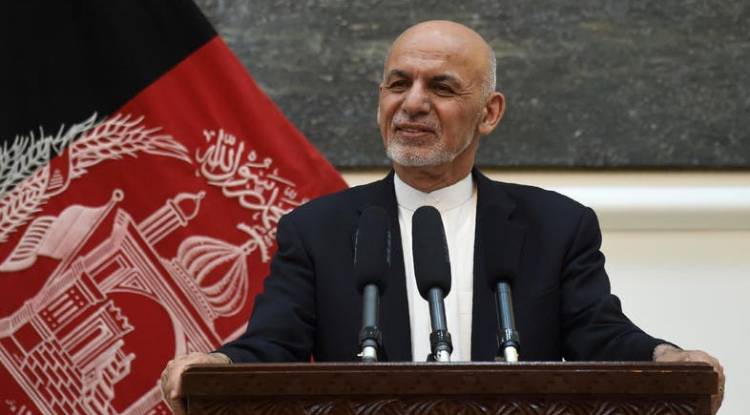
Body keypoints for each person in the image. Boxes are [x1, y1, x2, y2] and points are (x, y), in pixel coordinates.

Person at [161, 20, 725, 414]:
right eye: (398, 84)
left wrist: (669, 358)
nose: (412, 103)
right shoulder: (317, 230)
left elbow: (598, 334)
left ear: (489, 113)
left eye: (442, 87)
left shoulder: (556, 226)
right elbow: (272, 344)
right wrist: (215, 365)